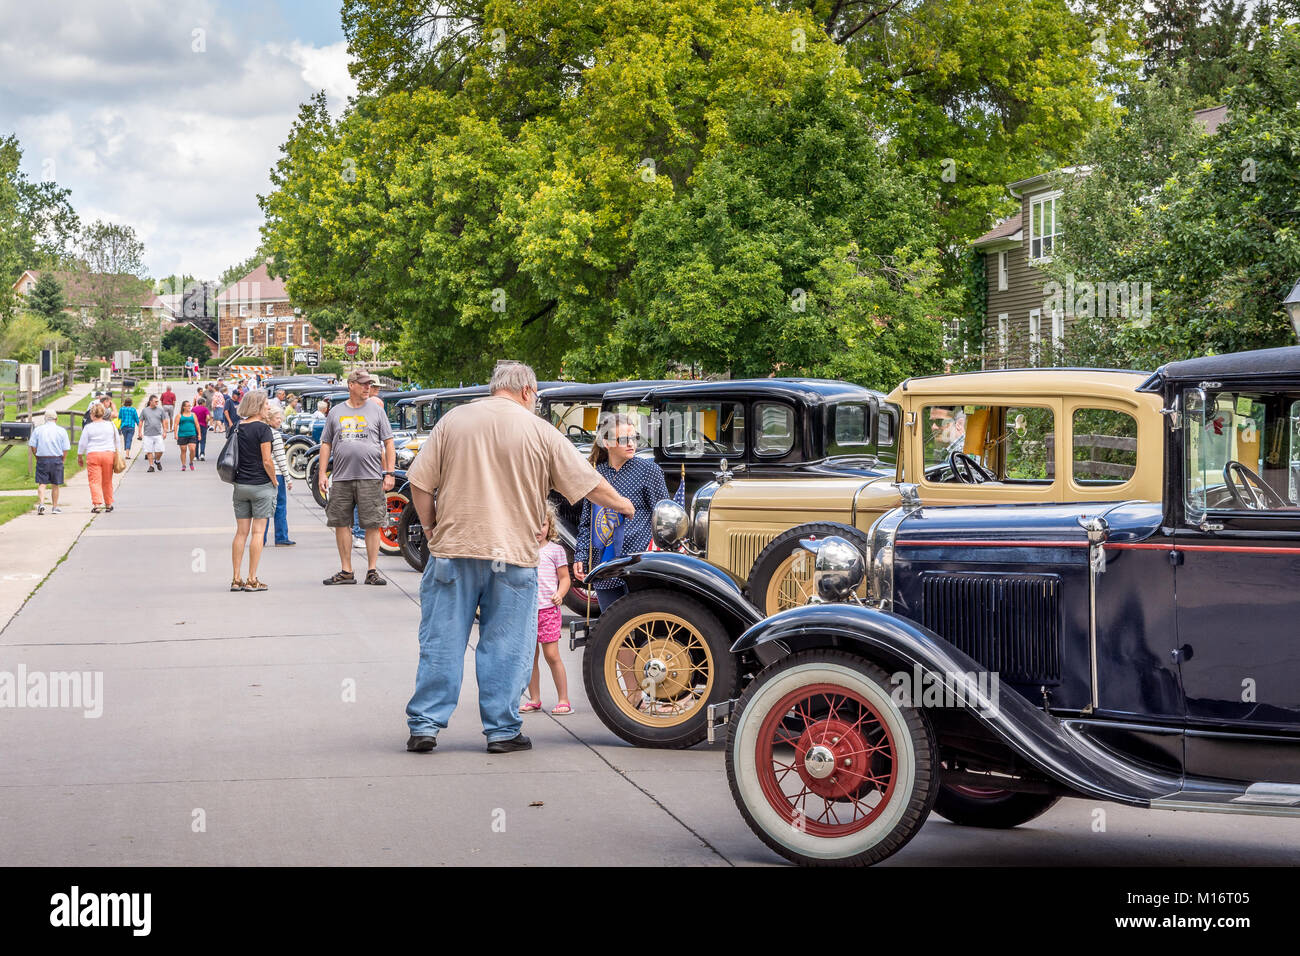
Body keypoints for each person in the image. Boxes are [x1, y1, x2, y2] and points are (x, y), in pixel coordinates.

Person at [403, 360, 633, 754]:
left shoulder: (454, 421)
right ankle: (502, 731)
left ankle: (425, 726)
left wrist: (429, 529)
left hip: (453, 550)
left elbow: (419, 482)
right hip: (513, 556)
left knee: (442, 640)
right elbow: (588, 483)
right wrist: (625, 506)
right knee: (506, 645)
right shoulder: (539, 430)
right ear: (527, 391)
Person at [573, 411, 669, 611]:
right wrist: (581, 556)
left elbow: (665, 517)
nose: (631, 443)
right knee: (611, 625)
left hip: (638, 565)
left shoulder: (649, 471)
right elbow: (587, 522)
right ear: (606, 443)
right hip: (605, 563)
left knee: (641, 624)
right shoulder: (595, 475)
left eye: (633, 438)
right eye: (623, 439)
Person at [318, 369, 395, 586]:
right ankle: (346, 570)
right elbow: (326, 443)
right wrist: (322, 473)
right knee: (341, 522)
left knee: (372, 523)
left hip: (370, 476)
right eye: (362, 384)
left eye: (368, 384)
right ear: (350, 385)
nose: (367, 387)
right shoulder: (336, 412)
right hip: (342, 476)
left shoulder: (377, 410)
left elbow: (389, 443)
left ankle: (372, 570)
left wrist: (389, 472)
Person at [521, 504, 574, 716]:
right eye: (533, 524)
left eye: (542, 524)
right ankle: (534, 699)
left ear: (549, 525)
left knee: (552, 655)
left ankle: (564, 699)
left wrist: (560, 594)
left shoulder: (555, 550)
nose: (538, 529)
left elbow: (565, 578)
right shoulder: (523, 550)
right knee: (530, 657)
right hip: (526, 611)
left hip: (547, 610)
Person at [229, 389, 278, 592]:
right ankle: (251, 579)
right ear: (258, 405)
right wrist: (274, 480)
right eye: (266, 404)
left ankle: (236, 578)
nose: (268, 407)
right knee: (258, 532)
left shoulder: (237, 427)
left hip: (240, 485)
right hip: (260, 485)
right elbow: (267, 460)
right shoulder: (263, 429)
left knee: (241, 533)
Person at [77, 404, 120, 513]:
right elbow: (117, 440)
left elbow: (82, 443)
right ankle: (108, 504)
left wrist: (80, 456)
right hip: (108, 454)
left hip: (93, 454)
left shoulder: (88, 427)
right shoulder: (110, 425)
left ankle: (96, 504)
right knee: (107, 480)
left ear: (92, 415)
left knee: (94, 481)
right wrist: (117, 452)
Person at [263, 406, 295, 548]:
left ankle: (261, 537)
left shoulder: (262, 432)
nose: (280, 421)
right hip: (277, 473)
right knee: (280, 506)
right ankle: (281, 537)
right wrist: (288, 478)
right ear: (269, 418)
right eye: (277, 418)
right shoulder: (275, 434)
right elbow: (281, 458)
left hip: (263, 473)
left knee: (263, 508)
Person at [28, 410, 70, 515]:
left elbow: (33, 445)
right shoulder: (61, 431)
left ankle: (41, 503)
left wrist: (36, 455)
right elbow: (65, 448)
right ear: (56, 419)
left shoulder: (38, 430)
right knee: (55, 484)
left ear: (45, 419)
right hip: (56, 458)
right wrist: (63, 460)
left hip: (42, 458)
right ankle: (55, 507)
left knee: (42, 483)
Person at [139, 394, 171, 472]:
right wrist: (139, 432)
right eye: (155, 401)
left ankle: (157, 461)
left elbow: (163, 421)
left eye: (158, 401)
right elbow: (141, 421)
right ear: (150, 402)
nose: (157, 402)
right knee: (149, 451)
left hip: (158, 434)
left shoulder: (161, 410)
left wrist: (165, 431)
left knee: (160, 450)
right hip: (147, 434)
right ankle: (151, 466)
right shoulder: (145, 410)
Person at [175, 400, 199, 470]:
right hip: (182, 435)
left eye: (190, 406)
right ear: (183, 407)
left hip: (192, 434)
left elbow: (197, 424)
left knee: (192, 449)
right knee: (183, 450)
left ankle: (191, 462)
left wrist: (199, 434)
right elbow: (176, 424)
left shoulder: (193, 414)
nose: (189, 407)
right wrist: (175, 434)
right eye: (188, 406)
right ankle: (183, 465)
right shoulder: (179, 415)